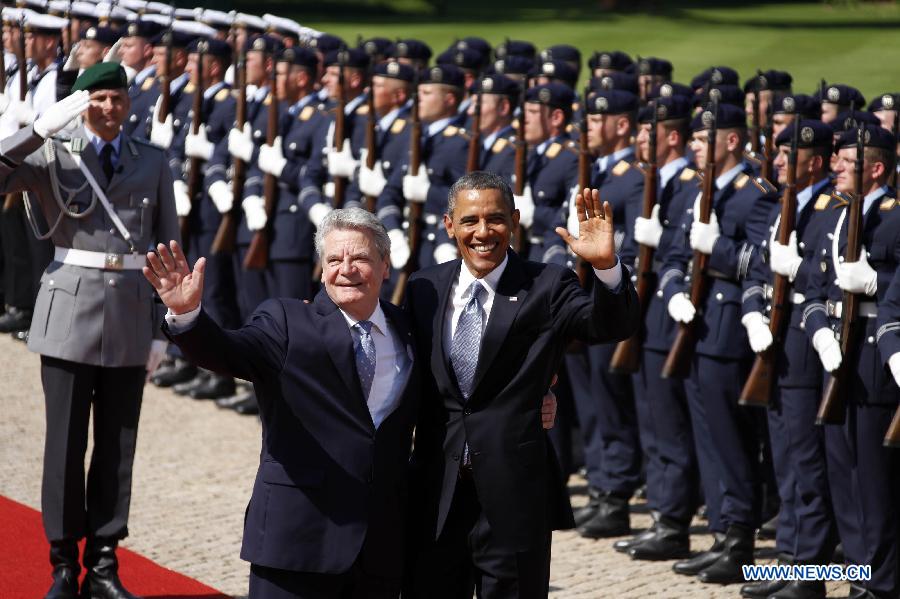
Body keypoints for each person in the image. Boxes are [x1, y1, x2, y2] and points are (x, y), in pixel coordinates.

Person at [149, 208, 420, 598]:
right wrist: (188, 315)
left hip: (378, 548)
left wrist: (542, 401)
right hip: (297, 540)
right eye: (334, 260)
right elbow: (229, 351)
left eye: (360, 258)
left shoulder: (409, 330)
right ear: (321, 268)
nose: (347, 269)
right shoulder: (286, 321)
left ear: (385, 265)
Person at [403, 171, 639, 598]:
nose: (483, 233)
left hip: (513, 493)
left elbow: (608, 325)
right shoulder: (425, 287)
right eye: (470, 220)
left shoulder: (547, 284)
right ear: (449, 225)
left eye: (494, 219)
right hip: (437, 490)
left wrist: (605, 268)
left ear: (513, 220)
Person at [0, 62, 178, 599]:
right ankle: (61, 565)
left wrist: (163, 331)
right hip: (67, 310)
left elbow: (169, 248)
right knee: (64, 444)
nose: (108, 108)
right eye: (98, 98)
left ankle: (104, 563)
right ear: (80, 103)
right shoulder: (52, 150)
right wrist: (38, 128)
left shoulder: (151, 159)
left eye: (117, 99)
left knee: (117, 446)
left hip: (130, 314)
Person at [801, 124, 899, 599]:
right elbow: (817, 284)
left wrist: (878, 283)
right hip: (837, 352)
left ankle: (882, 584)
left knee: (874, 479)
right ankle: (862, 575)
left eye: (846, 161)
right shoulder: (840, 215)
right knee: (843, 474)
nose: (834, 166)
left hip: (874, 356)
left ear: (876, 169)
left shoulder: (895, 216)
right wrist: (819, 330)